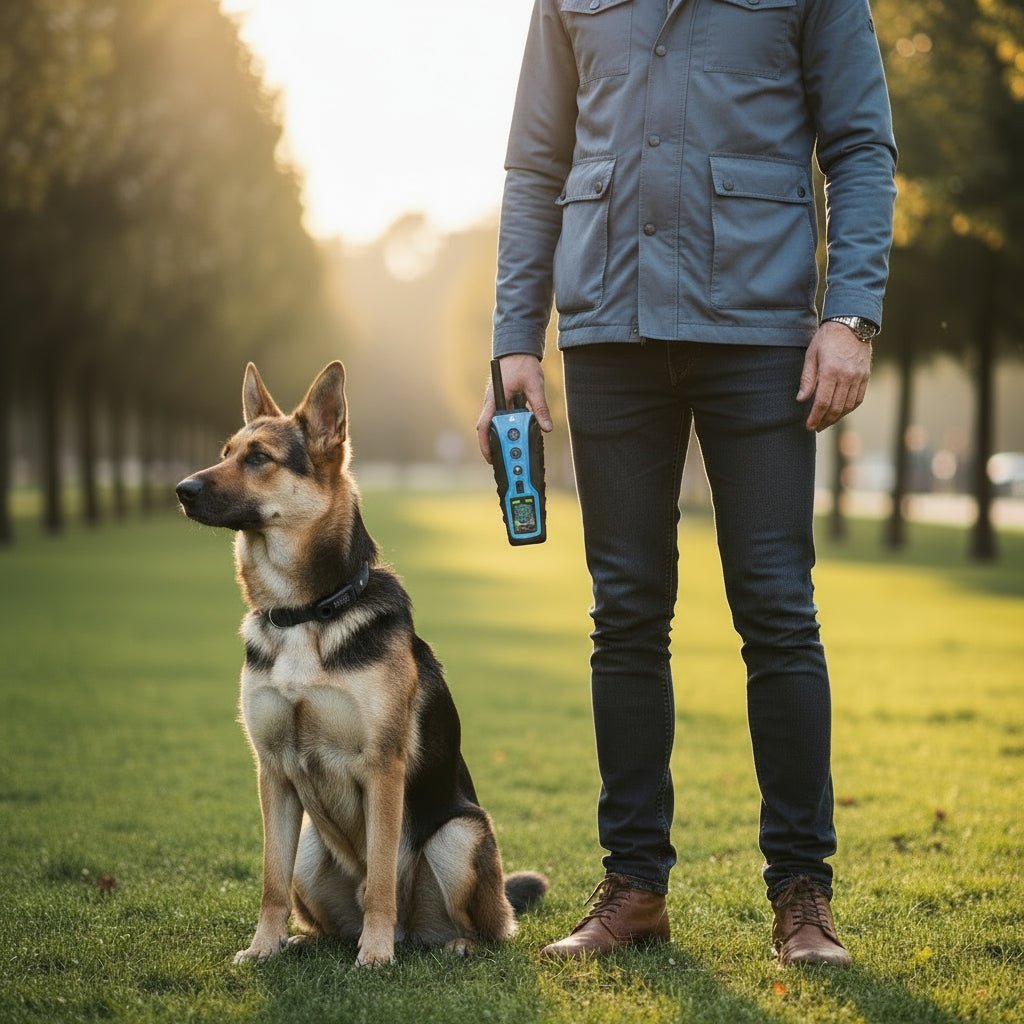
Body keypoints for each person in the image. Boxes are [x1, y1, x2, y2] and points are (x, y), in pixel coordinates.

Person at [476, 0, 896, 965]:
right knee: (624, 613)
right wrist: (514, 336)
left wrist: (853, 312)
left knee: (778, 610)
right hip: (608, 330)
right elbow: (535, 161)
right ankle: (634, 891)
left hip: (759, 332)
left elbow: (861, 146)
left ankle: (802, 895)